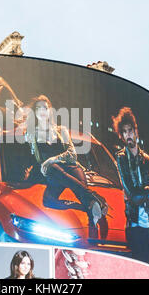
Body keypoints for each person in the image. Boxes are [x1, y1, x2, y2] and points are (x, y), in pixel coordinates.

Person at [25, 95, 108, 238]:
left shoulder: (61, 130)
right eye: (38, 108)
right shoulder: (31, 133)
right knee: (54, 170)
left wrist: (52, 159)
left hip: (69, 168)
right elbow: (35, 159)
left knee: (80, 178)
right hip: (50, 173)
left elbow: (72, 155)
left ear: (50, 110)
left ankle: (92, 222)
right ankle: (96, 200)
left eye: (45, 107)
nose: (42, 111)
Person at [112, 107, 149, 266]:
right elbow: (132, 193)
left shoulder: (146, 159)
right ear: (121, 135)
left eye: (130, 131)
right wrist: (147, 194)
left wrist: (144, 196)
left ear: (135, 132)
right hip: (134, 225)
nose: (128, 135)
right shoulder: (121, 158)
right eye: (124, 132)